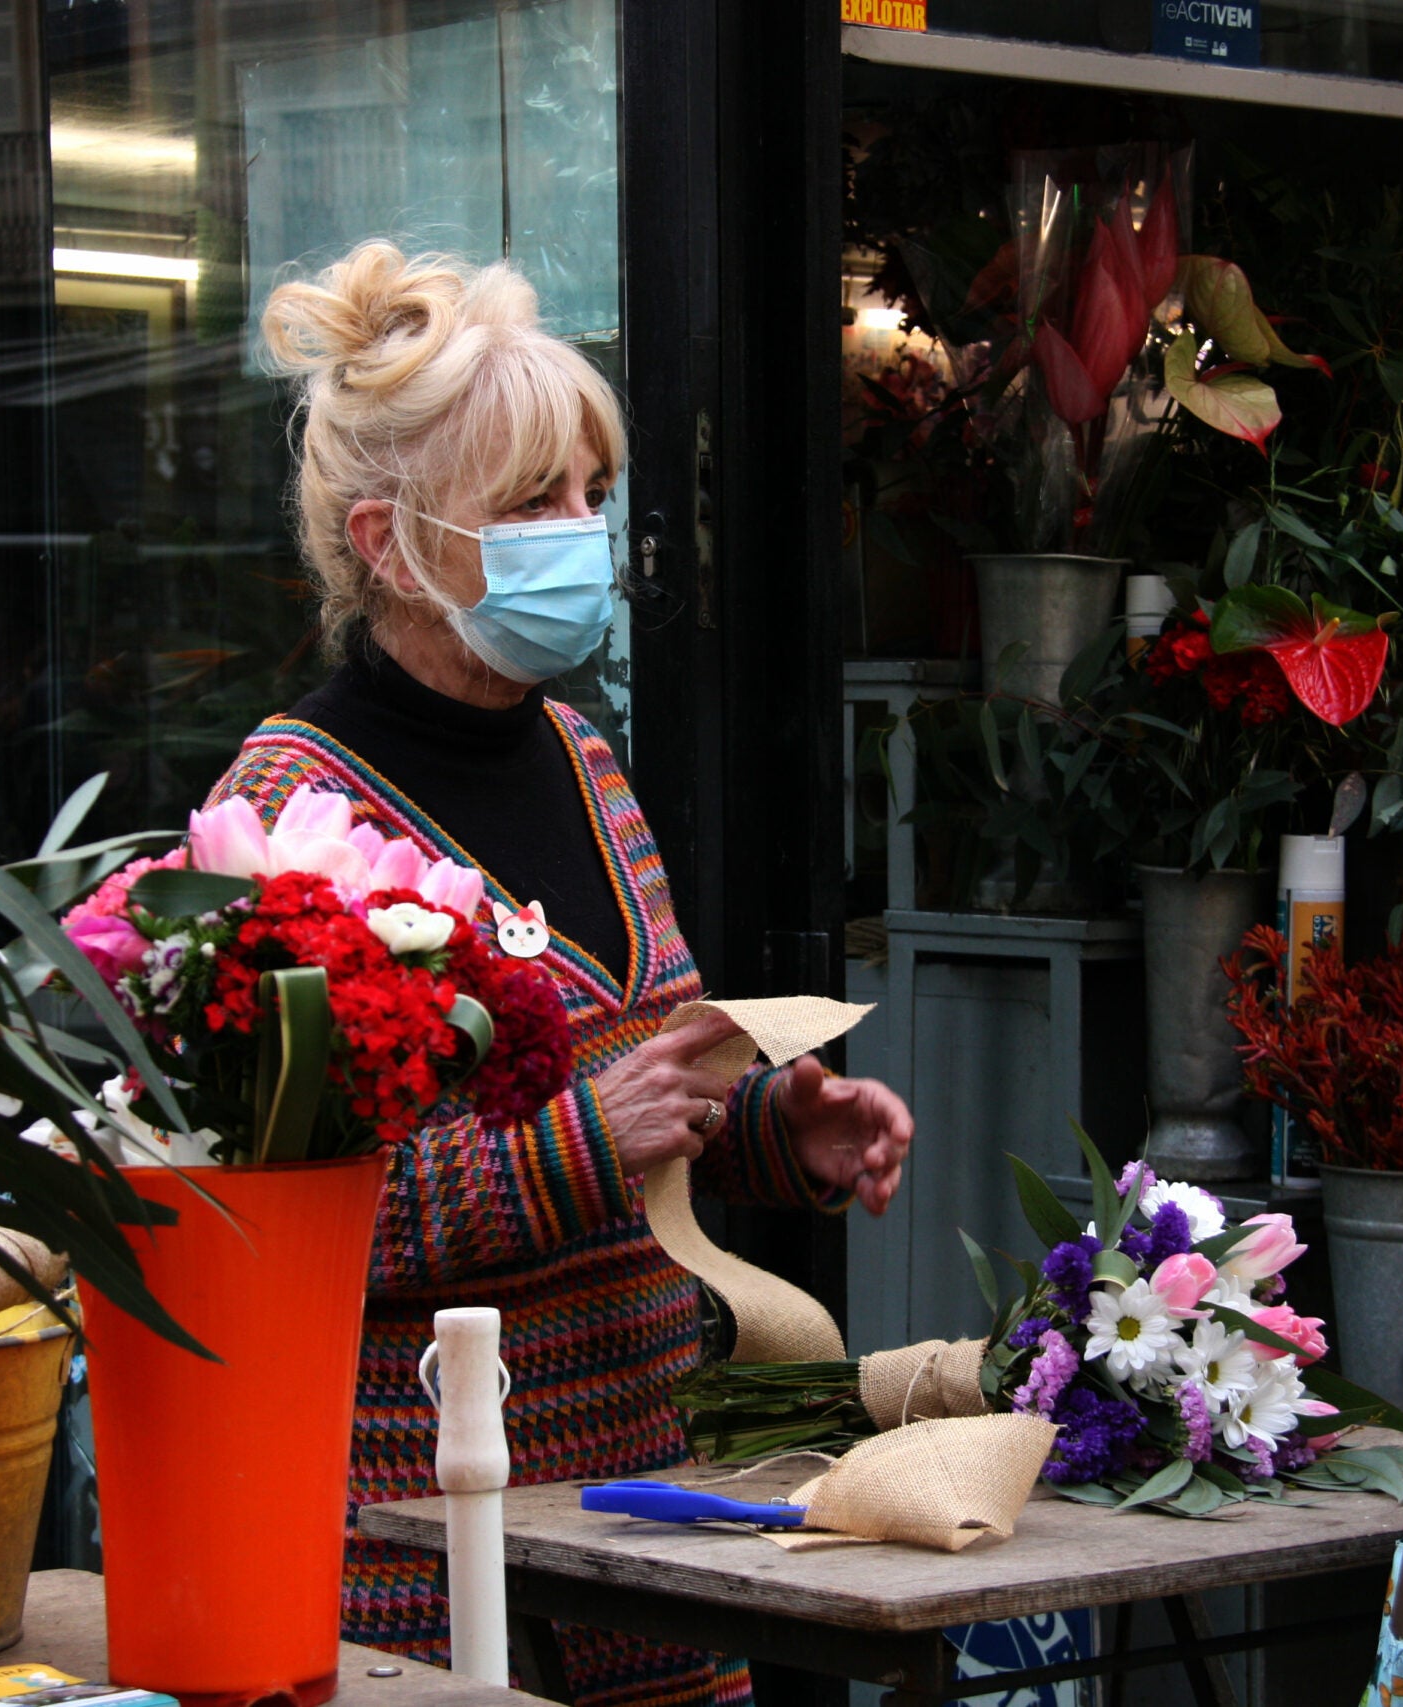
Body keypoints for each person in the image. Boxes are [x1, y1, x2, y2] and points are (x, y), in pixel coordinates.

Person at [206, 242, 915, 1707]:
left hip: (653, 1550)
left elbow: (656, 1083)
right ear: (388, 542)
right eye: (532, 501)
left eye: (592, 493)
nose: (581, 533)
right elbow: (281, 1220)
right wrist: (584, 1145)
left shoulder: (585, 759)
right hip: (432, 1584)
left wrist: (781, 1125)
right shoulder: (288, 817)